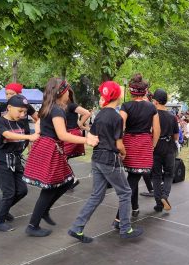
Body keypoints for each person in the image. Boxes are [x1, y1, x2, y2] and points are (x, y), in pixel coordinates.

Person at [68, 81, 143, 243]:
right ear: (117, 95)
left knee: (96, 195)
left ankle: (77, 227)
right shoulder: (116, 117)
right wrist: (124, 153)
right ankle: (125, 228)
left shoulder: (100, 114)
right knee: (125, 192)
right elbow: (119, 144)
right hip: (109, 159)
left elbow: (94, 138)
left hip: (96, 158)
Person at [23, 78, 99, 237]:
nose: (69, 94)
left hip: (47, 147)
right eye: (68, 91)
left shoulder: (48, 106)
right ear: (62, 92)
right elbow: (63, 135)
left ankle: (43, 212)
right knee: (50, 188)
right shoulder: (57, 109)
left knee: (68, 181)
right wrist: (87, 139)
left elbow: (43, 126)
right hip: (50, 149)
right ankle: (33, 225)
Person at [114, 73, 160, 222]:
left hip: (129, 143)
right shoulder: (152, 108)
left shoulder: (125, 106)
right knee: (133, 178)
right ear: (145, 92)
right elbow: (157, 130)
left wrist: (119, 143)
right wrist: (152, 145)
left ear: (130, 92)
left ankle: (133, 208)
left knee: (132, 176)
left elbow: (119, 125)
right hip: (145, 143)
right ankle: (121, 216)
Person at [0, 95, 39, 232]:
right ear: (9, 107)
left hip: (16, 160)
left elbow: (24, 141)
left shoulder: (21, 122)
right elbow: (8, 135)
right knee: (9, 192)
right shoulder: (0, 121)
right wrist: (29, 137)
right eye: (20, 111)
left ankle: (1, 208)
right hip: (2, 161)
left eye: (25, 112)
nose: (23, 114)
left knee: (22, 190)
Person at [149, 89, 179, 212]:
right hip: (169, 147)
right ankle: (165, 196)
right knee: (169, 174)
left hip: (155, 147)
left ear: (155, 101)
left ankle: (159, 204)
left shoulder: (152, 115)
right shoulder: (172, 117)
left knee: (156, 176)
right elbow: (176, 136)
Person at [0, 83, 39, 151]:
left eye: (11, 94)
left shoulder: (26, 105)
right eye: (7, 94)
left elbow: (38, 118)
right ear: (9, 108)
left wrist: (37, 131)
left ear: (19, 94)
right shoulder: (2, 107)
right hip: (8, 140)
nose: (9, 96)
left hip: (24, 137)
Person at [63, 90, 91, 190]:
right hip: (67, 134)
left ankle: (71, 180)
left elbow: (87, 113)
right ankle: (68, 180)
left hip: (72, 133)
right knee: (62, 158)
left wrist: (80, 123)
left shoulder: (71, 106)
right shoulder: (62, 107)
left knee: (62, 157)